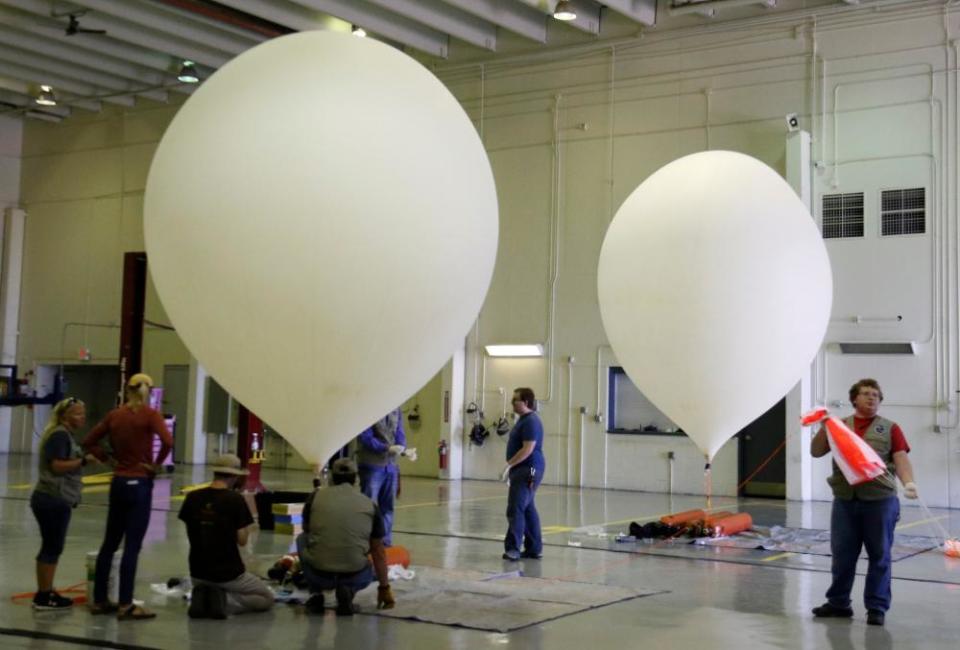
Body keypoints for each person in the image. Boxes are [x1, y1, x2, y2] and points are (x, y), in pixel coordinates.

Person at [810, 378, 917, 627]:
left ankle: (876, 607)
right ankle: (838, 603)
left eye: (876, 396)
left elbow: (900, 458)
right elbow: (816, 452)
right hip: (845, 501)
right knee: (842, 555)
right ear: (854, 398)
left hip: (879, 501)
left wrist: (909, 482)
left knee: (880, 555)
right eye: (866, 394)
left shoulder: (890, 428)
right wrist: (824, 427)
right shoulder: (840, 426)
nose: (872, 398)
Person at [83, 373, 173, 620]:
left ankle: (100, 600)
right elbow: (167, 441)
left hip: (120, 481)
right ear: (150, 391)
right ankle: (125, 604)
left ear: (127, 389)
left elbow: (89, 441)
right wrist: (154, 465)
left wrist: (108, 459)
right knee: (131, 546)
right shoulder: (151, 415)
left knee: (109, 543)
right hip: (140, 483)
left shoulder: (115, 415)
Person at [178, 453, 273, 619]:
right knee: (266, 598)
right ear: (235, 476)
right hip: (228, 573)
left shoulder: (192, 498)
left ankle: (204, 596)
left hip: (198, 572)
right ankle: (225, 600)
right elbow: (242, 541)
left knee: (212, 583)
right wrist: (249, 527)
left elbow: (191, 531)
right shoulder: (235, 500)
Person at [297, 458, 395, 616]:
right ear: (356, 478)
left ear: (331, 478)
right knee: (368, 551)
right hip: (355, 574)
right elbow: (378, 551)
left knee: (301, 539)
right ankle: (348, 589)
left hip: (319, 574)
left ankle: (316, 594)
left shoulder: (315, 497)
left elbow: (307, 530)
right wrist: (384, 588)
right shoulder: (370, 504)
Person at [29, 397, 100, 610]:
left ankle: (46, 591)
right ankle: (43, 596)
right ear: (64, 416)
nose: (83, 417)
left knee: (52, 546)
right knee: (52, 547)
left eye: (83, 413)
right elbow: (57, 466)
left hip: (52, 498)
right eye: (78, 413)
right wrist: (84, 461)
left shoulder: (64, 435)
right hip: (53, 498)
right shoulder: (60, 435)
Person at [356, 408, 417, 546]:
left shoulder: (396, 409)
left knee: (388, 508)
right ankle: (366, 543)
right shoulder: (369, 408)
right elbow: (365, 437)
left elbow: (399, 432)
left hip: (390, 466)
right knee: (368, 507)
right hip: (372, 465)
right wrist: (385, 447)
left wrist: (403, 449)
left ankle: (384, 544)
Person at [500, 387, 546, 561]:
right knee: (527, 508)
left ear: (526, 402)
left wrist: (508, 465)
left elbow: (528, 449)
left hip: (531, 468)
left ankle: (513, 549)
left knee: (516, 507)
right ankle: (534, 548)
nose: (512, 402)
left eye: (515, 400)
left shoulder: (531, 422)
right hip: (525, 469)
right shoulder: (523, 420)